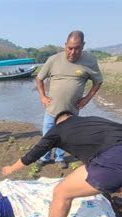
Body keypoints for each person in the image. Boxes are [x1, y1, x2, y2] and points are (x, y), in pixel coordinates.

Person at [36, 30, 103, 169]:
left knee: (65, 136)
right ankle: (45, 156)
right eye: (69, 48)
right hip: (51, 110)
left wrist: (87, 99)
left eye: (77, 48)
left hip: (71, 112)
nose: (72, 52)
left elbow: (98, 82)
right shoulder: (53, 59)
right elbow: (39, 78)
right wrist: (42, 96)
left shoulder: (90, 61)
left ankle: (60, 157)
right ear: (65, 45)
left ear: (83, 46)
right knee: (47, 135)